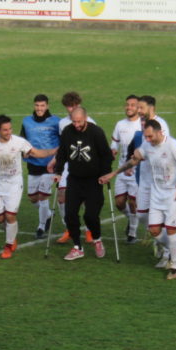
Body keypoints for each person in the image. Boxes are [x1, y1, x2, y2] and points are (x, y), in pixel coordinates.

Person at [101, 120, 176, 279]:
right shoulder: (147, 146)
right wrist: (114, 173)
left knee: (170, 229)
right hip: (157, 194)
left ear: (159, 132)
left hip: (173, 194)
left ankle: (175, 267)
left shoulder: (172, 145)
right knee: (154, 230)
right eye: (145, 137)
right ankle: (173, 247)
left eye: (150, 136)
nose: (147, 140)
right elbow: (134, 160)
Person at [0, 115, 57, 259]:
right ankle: (11, 236)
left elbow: (37, 153)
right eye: (5, 130)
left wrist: (55, 150)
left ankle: (8, 245)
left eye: (10, 129)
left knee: (10, 215)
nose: (9, 132)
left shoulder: (19, 142)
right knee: (0, 219)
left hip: (14, 183)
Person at [52, 106, 113, 261]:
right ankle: (77, 246)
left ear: (85, 118)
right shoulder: (67, 132)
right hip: (74, 179)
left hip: (93, 180)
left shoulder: (96, 132)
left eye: (79, 121)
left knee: (91, 215)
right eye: (74, 122)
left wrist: (105, 174)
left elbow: (106, 155)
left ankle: (97, 239)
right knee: (70, 213)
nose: (76, 125)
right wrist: (58, 172)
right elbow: (62, 154)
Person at [54, 91, 96, 245]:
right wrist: (56, 161)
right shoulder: (62, 124)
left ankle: (89, 230)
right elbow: (63, 146)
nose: (71, 109)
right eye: (68, 107)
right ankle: (69, 229)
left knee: (85, 198)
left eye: (73, 106)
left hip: (85, 165)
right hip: (67, 166)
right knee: (62, 197)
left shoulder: (91, 123)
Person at [20, 94, 61, 239]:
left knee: (43, 196)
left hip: (51, 165)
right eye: (37, 105)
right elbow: (22, 141)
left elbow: (63, 142)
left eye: (42, 105)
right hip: (33, 164)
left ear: (47, 106)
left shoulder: (57, 122)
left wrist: (57, 159)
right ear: (34, 106)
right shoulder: (26, 121)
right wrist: (23, 153)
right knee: (33, 198)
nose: (39, 108)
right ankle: (48, 214)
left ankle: (41, 227)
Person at [132, 95, 170, 244]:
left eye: (141, 108)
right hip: (145, 179)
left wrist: (141, 154)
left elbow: (163, 150)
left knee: (161, 217)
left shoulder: (160, 125)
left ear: (151, 107)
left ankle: (168, 251)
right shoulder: (145, 125)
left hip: (158, 181)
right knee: (141, 215)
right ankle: (159, 239)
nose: (138, 111)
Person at [110, 95, 142, 243]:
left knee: (133, 202)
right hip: (122, 169)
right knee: (119, 203)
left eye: (132, 105)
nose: (129, 107)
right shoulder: (120, 124)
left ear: (138, 107)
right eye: (127, 105)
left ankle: (132, 233)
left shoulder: (142, 125)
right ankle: (131, 218)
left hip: (137, 171)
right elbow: (114, 142)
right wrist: (113, 150)